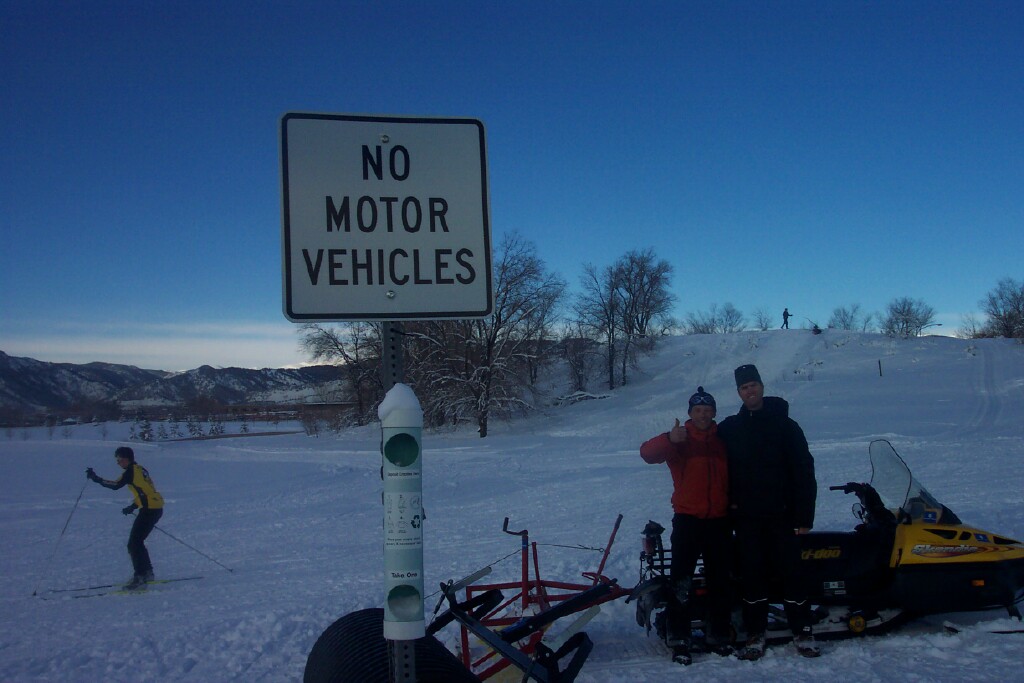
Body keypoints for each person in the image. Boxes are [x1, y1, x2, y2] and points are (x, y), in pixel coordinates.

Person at [716, 364, 820, 660]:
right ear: (738, 393)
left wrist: (804, 517)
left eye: (753, 385)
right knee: (752, 576)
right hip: (747, 518)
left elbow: (804, 471)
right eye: (744, 387)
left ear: (762, 386)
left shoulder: (786, 425)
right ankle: (755, 633)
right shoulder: (731, 428)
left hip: (784, 516)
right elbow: (705, 444)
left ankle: (803, 631)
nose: (750, 391)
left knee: (792, 574)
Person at [640, 386, 732, 665]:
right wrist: (669, 437)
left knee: (720, 581)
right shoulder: (679, 440)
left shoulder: (723, 440)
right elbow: (647, 453)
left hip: (719, 520)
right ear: (690, 414)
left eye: (707, 410)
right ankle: (679, 637)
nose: (703, 415)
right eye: (697, 411)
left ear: (714, 413)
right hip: (688, 520)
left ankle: (718, 635)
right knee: (681, 581)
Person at [86, 446, 165, 589]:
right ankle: (147, 573)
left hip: (149, 509)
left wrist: (95, 478)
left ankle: (140, 577)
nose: (118, 463)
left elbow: (115, 485)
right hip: (154, 507)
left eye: (120, 460)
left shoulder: (131, 472)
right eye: (117, 460)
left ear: (127, 459)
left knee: (133, 543)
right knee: (137, 542)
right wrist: (133, 506)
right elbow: (145, 490)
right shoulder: (140, 469)